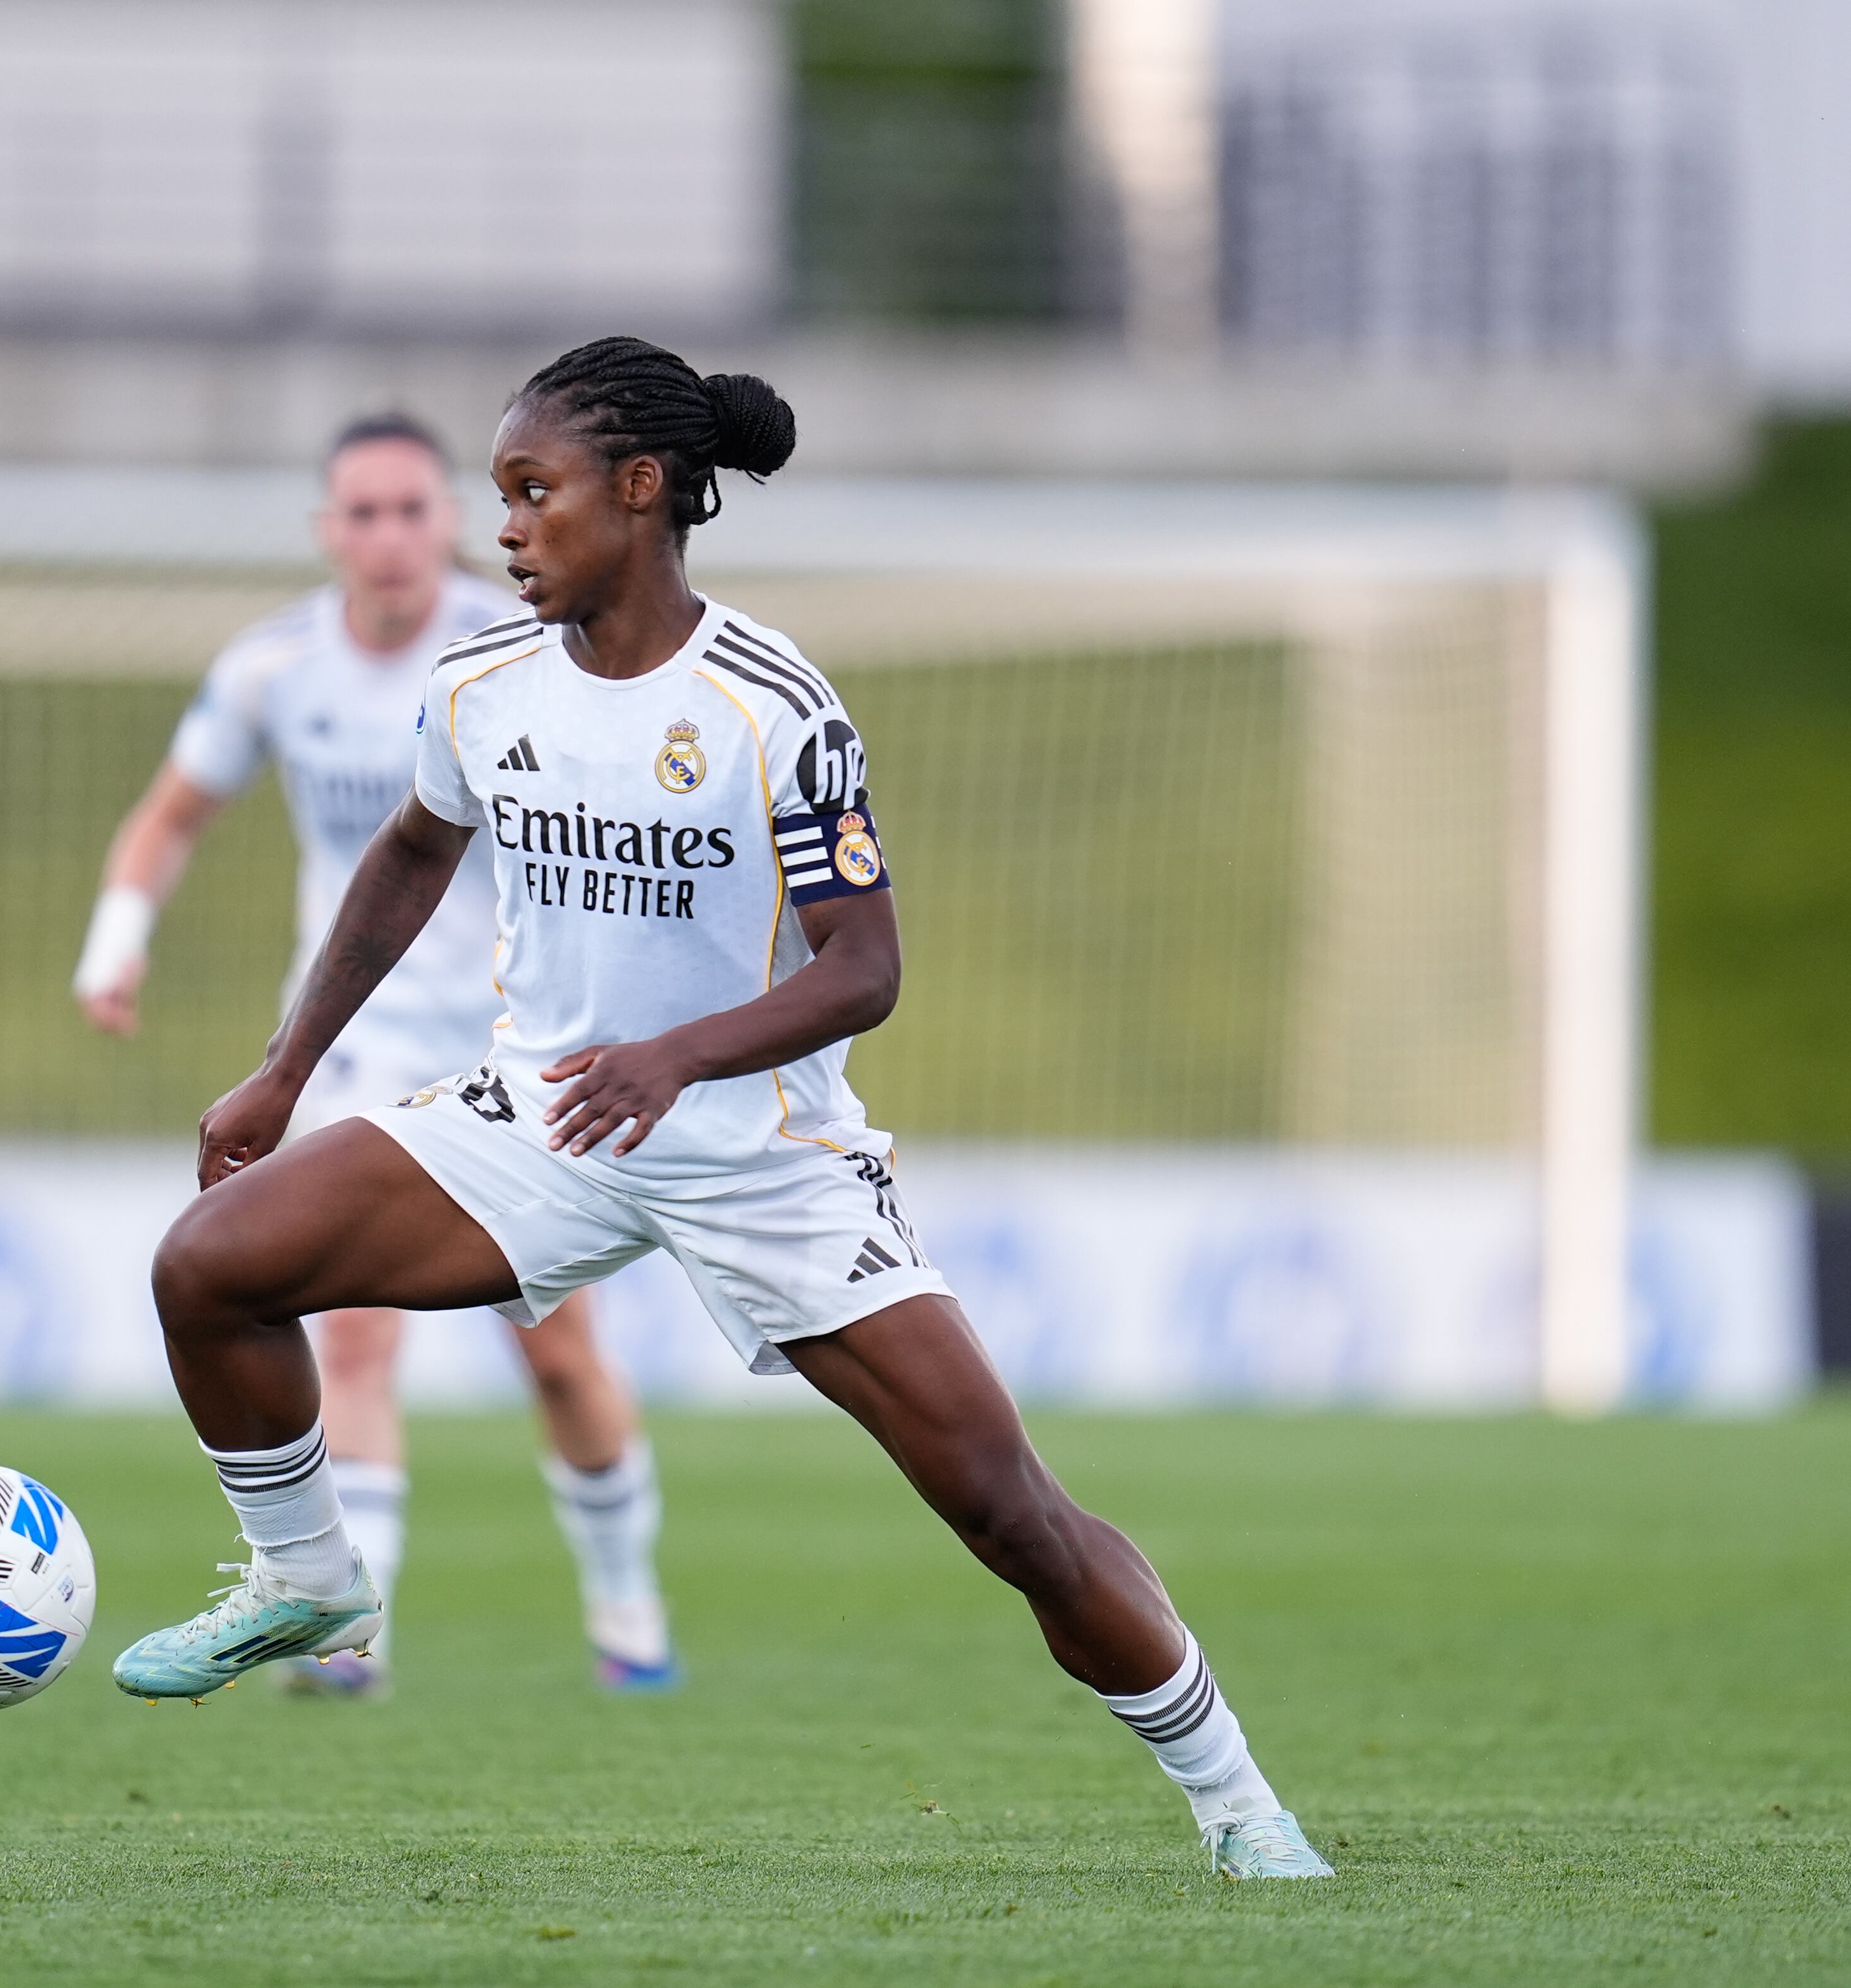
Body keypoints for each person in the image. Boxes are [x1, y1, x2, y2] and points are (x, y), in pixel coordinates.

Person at [106, 338, 1331, 1881]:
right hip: (540, 1118)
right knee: (204, 1263)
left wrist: (678, 1056)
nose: (504, 529)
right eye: (497, 496)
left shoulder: (773, 704)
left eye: (530, 493)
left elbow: (865, 969)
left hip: (763, 1156)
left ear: (636, 494)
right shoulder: (481, 679)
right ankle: (314, 1580)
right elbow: (412, 856)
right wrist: (285, 1066)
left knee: (1006, 1509)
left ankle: (1239, 1807)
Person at [72, 411, 677, 1694]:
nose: (389, 537)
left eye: (412, 509)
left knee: (559, 1352)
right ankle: (353, 1637)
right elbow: (169, 812)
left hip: (521, 1047)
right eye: (362, 513)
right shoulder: (272, 668)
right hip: (354, 1043)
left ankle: (627, 1609)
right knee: (345, 1333)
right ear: (324, 531)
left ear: (447, 522)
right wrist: (115, 940)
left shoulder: (525, 651)